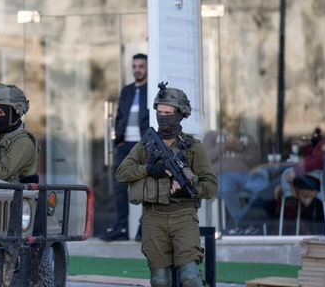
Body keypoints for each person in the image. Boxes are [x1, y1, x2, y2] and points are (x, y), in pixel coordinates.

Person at [116, 82, 217, 287]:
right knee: (160, 281)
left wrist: (188, 190)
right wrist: (149, 169)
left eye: (168, 113)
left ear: (180, 114)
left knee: (190, 277)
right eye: (159, 112)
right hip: (154, 217)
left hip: (183, 216)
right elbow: (122, 173)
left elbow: (211, 185)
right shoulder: (146, 145)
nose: (163, 117)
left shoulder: (193, 148)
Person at [101, 53, 150, 242]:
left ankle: (143, 228)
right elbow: (121, 115)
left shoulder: (152, 88)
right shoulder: (127, 90)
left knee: (145, 186)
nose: (137, 69)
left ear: (147, 68)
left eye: (141, 66)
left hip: (143, 145)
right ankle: (121, 228)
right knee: (120, 186)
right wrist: (118, 138)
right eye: (135, 66)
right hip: (124, 145)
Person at [202, 112, 263, 234]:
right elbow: (205, 158)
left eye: (237, 120)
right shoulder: (212, 136)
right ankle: (243, 225)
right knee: (226, 189)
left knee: (264, 188)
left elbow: (255, 162)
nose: (234, 124)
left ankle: (239, 225)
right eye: (231, 120)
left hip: (246, 176)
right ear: (224, 120)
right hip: (222, 176)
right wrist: (225, 145)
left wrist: (243, 149)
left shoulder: (247, 138)